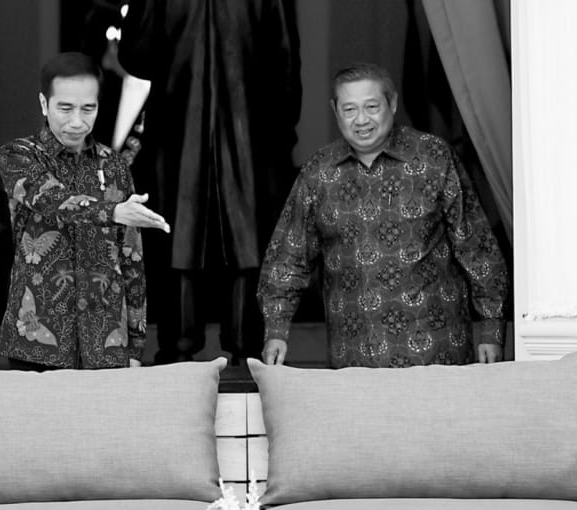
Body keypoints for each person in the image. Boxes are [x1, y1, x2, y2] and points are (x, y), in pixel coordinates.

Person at [258, 62, 509, 368]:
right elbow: (288, 258)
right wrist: (276, 330)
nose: (361, 120)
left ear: (392, 103)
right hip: (353, 359)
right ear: (335, 111)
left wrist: (491, 328)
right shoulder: (318, 173)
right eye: (349, 109)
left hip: (436, 356)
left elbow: (476, 246)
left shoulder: (433, 158)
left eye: (371, 107)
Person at [118, 0, 302, 365]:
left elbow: (137, 55)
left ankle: (179, 351)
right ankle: (245, 353)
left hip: (184, 125)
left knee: (181, 239)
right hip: (243, 128)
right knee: (243, 240)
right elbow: (285, 61)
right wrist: (281, 138)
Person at [0, 52, 169, 371]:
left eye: (88, 108)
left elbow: (131, 260)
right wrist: (112, 212)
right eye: (65, 108)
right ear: (44, 104)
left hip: (107, 343)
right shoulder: (19, 156)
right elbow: (51, 198)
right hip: (37, 342)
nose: (77, 121)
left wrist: (136, 345)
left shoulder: (114, 165)